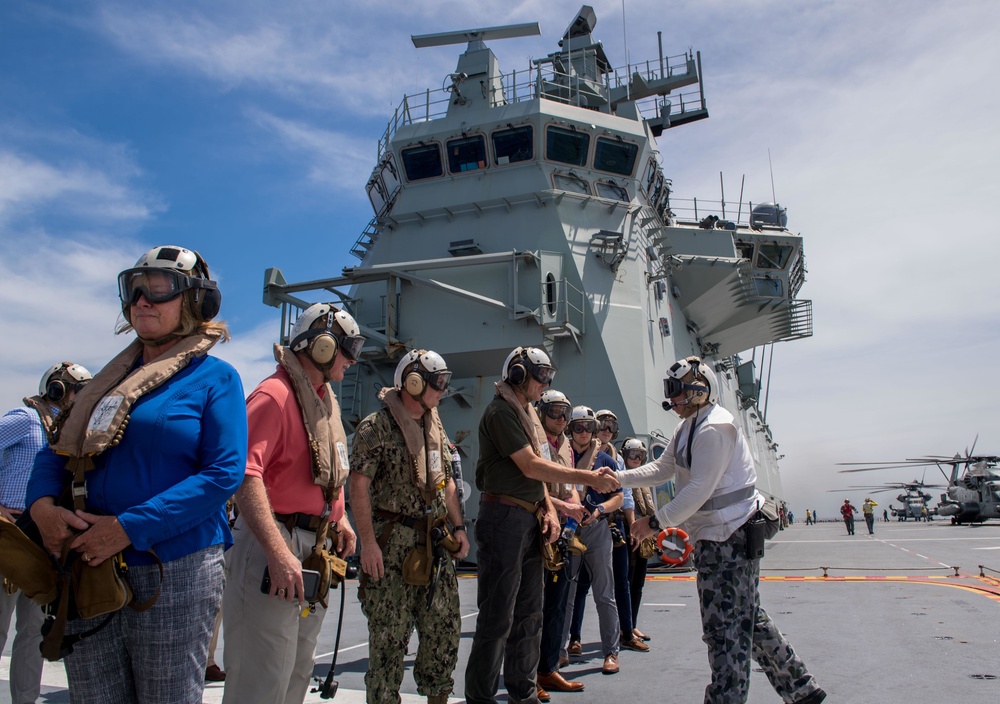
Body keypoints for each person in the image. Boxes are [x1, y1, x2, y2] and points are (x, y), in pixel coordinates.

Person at [27, 245, 247, 704]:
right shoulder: (102, 385)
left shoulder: (216, 380)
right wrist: (43, 506)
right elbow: (58, 449)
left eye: (160, 288)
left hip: (175, 572)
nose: (143, 299)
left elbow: (224, 473)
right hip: (88, 564)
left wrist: (129, 528)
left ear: (194, 301)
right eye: (134, 288)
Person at [622, 356, 825, 704]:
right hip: (719, 537)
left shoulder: (714, 428)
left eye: (678, 391)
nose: (672, 399)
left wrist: (654, 522)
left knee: (724, 630)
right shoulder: (688, 427)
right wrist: (618, 478)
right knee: (748, 618)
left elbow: (698, 489)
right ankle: (800, 687)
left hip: (728, 537)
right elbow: (662, 468)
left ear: (700, 390)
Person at [464, 347, 618, 704]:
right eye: (541, 376)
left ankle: (523, 691)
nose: (546, 384)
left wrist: (550, 508)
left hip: (528, 518)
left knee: (530, 613)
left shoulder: (526, 414)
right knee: (497, 615)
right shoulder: (502, 412)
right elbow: (531, 467)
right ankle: (481, 697)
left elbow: (536, 481)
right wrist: (588, 478)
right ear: (518, 375)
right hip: (503, 520)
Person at [222, 302, 359, 704]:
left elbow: (331, 471)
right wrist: (279, 553)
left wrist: (341, 520)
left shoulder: (323, 400)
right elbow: (246, 476)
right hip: (273, 545)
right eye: (346, 350)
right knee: (261, 679)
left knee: (297, 671)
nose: (351, 361)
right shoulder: (274, 395)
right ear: (321, 347)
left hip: (313, 548)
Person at [349, 349, 469, 704]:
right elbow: (358, 486)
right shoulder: (377, 428)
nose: (443, 390)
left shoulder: (435, 426)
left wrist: (459, 528)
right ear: (413, 383)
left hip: (434, 543)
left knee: (443, 633)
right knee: (388, 641)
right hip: (392, 547)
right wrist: (367, 545)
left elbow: (445, 480)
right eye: (438, 382)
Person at [2, 362, 92, 704]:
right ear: (57, 389)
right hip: (10, 535)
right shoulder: (26, 420)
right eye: (77, 391)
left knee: (31, 632)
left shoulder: (64, 432)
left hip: (43, 540)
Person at [561, 406, 624, 675]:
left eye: (589, 427)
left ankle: (611, 652)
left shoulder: (606, 461)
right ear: (570, 429)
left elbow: (619, 497)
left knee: (604, 593)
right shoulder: (562, 457)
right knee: (567, 594)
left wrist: (599, 510)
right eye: (578, 427)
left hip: (597, 528)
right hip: (569, 529)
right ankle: (560, 649)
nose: (584, 432)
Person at [535, 390, 587, 699]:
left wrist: (574, 507)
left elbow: (571, 488)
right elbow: (534, 485)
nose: (562, 418)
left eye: (565, 412)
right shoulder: (532, 437)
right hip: (537, 526)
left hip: (561, 533)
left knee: (555, 606)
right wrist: (564, 507)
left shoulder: (565, 445)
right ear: (542, 412)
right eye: (555, 411)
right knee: (533, 609)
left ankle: (548, 668)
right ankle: (529, 675)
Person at [620, 437, 655, 644]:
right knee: (627, 581)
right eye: (633, 454)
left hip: (644, 534)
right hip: (628, 532)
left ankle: (632, 624)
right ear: (625, 455)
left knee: (638, 583)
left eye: (640, 455)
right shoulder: (623, 476)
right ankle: (624, 628)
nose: (637, 458)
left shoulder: (644, 479)